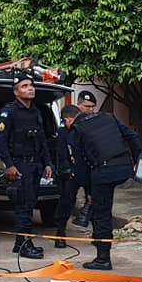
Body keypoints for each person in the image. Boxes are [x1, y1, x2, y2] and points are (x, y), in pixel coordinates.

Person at [71, 105, 141, 270]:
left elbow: (81, 168)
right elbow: (133, 136)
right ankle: (99, 241)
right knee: (103, 211)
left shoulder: (77, 130)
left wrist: (88, 191)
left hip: (103, 173)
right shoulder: (109, 117)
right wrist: (138, 160)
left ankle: (103, 258)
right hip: (124, 167)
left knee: (101, 214)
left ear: (69, 120)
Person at [0, 70, 53, 259]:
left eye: (31, 85)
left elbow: (42, 140)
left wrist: (47, 163)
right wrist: (9, 165)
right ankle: (24, 245)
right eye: (24, 86)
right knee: (24, 206)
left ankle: (21, 242)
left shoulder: (36, 111)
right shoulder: (8, 112)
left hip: (35, 165)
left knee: (30, 203)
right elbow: (0, 143)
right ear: (16, 92)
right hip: (19, 165)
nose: (30, 89)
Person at [52, 105, 88, 248]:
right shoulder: (63, 132)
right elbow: (62, 153)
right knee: (67, 202)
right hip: (70, 173)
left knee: (94, 200)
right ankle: (60, 233)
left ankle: (98, 234)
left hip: (86, 169)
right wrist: (68, 170)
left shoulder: (84, 129)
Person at [70, 90, 97, 227]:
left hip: (90, 164)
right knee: (69, 197)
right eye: (87, 107)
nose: (91, 110)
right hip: (74, 165)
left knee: (91, 194)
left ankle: (85, 219)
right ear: (78, 105)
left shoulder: (95, 122)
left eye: (93, 107)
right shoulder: (71, 121)